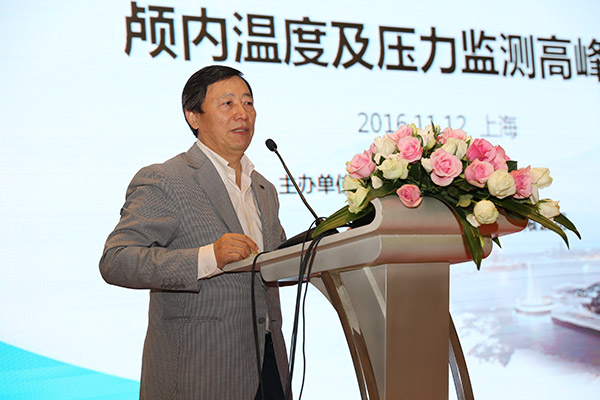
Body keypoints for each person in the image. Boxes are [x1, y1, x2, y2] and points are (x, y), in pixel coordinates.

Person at [100, 65, 289, 400]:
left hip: (268, 364)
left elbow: (275, 263)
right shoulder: (166, 179)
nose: (242, 113)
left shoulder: (264, 189)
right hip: (199, 371)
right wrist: (208, 257)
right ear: (193, 116)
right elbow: (116, 261)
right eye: (227, 103)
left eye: (248, 102)